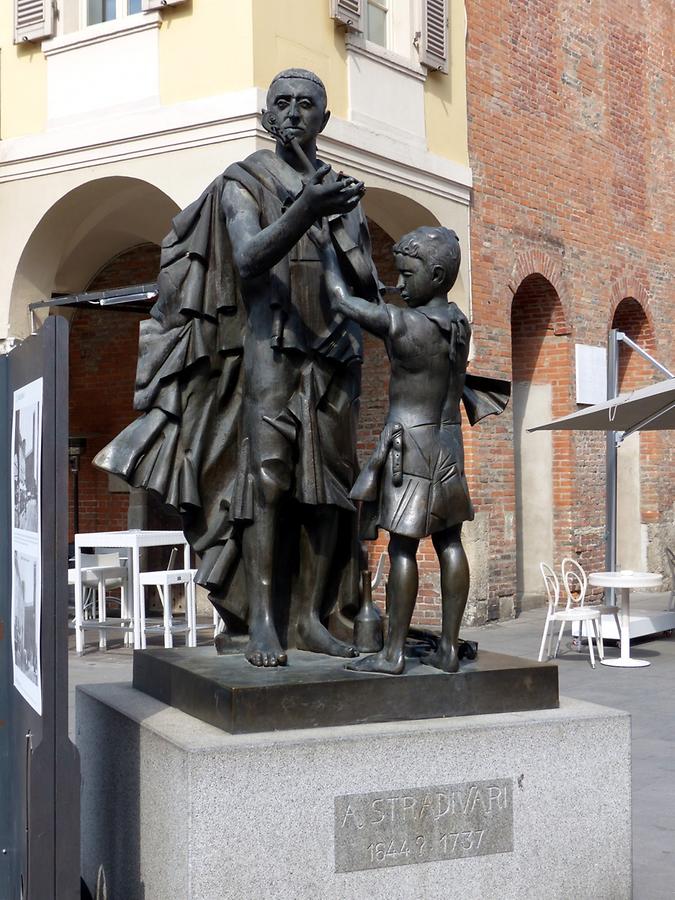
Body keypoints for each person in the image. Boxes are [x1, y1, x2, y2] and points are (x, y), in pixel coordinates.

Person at [95, 69, 379, 667]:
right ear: (267, 117)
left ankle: (310, 617)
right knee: (269, 483)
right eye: (282, 104)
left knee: (330, 488)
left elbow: (364, 285)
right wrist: (305, 211)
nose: (294, 114)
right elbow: (249, 258)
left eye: (307, 105)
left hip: (332, 353)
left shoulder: (345, 198)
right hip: (268, 347)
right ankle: (264, 624)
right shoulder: (242, 181)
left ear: (324, 120)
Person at [311, 223, 474, 674]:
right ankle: (447, 648)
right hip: (448, 441)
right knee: (449, 541)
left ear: (437, 276)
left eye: (407, 275)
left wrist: (327, 252)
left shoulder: (405, 324)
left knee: (402, 548)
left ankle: (393, 653)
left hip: (411, 446)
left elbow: (343, 303)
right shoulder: (459, 323)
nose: (399, 283)